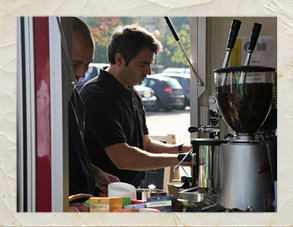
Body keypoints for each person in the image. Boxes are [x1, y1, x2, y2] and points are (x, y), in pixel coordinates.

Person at [80, 24, 191, 189]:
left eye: (150, 64)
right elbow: (123, 158)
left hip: (129, 192)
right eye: (143, 64)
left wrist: (183, 149)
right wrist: (183, 159)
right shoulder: (97, 96)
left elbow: (146, 145)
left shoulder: (131, 92)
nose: (149, 72)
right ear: (119, 59)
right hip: (103, 197)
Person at [68, 17, 120, 212]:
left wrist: (95, 173)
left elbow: (71, 153)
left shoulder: (72, 95)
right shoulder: (33, 103)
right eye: (75, 64)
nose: (82, 73)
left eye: (88, 64)